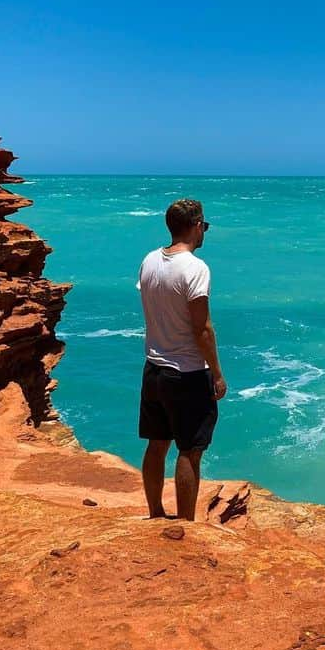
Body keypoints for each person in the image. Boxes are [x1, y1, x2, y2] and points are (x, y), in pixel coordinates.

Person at [136, 198, 227, 520]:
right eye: (205, 225)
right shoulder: (195, 268)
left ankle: (156, 513)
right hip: (187, 373)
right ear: (197, 225)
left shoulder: (149, 261)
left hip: (154, 368)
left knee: (157, 444)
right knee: (190, 450)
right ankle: (188, 524)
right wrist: (216, 373)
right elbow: (201, 327)